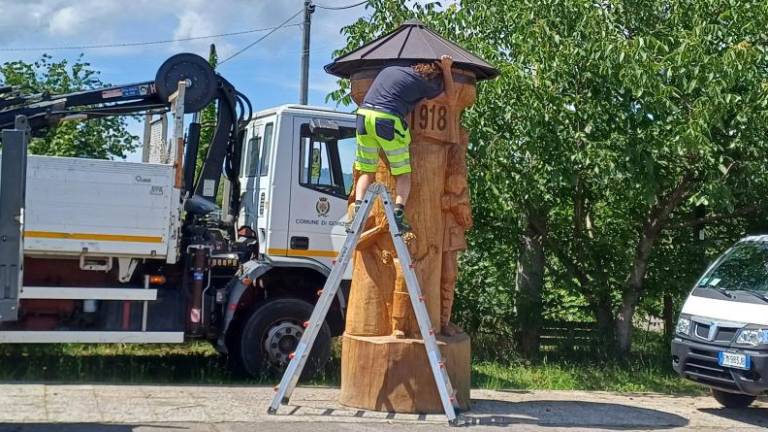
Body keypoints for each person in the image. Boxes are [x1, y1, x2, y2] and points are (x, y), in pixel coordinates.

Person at [352, 54, 455, 232]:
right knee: (403, 174)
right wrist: (446, 69)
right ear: (431, 75)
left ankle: (358, 210)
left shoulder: (391, 69)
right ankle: (398, 214)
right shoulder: (423, 82)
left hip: (363, 115)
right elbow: (451, 98)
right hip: (387, 119)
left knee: (367, 170)